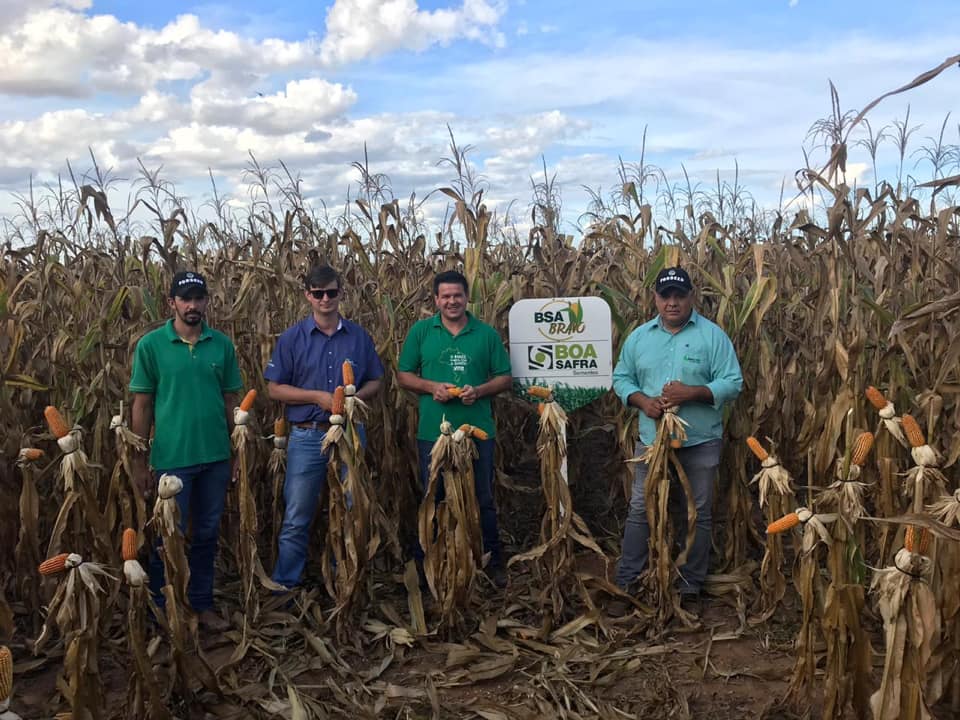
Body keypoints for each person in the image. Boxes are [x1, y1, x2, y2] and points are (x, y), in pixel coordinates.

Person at [608, 266, 742, 617]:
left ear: (690, 297)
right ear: (655, 298)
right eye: (665, 295)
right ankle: (628, 578)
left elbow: (733, 382)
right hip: (652, 441)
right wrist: (642, 401)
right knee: (640, 509)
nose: (672, 302)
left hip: (699, 441)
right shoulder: (639, 338)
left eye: (679, 295)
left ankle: (689, 584)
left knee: (696, 512)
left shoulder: (712, 337)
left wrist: (694, 393)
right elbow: (621, 378)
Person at [130, 270, 242, 631]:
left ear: (207, 301)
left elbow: (230, 402)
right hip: (170, 460)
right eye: (185, 299)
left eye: (198, 298)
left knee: (207, 534)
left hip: (215, 458)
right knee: (167, 537)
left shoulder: (221, 345)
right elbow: (142, 405)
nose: (192, 306)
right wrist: (138, 459)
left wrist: (237, 451)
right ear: (172, 303)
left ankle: (202, 604)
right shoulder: (151, 346)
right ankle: (163, 607)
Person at [265, 265, 384, 590]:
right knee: (296, 516)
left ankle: (345, 578)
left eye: (331, 292)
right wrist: (316, 397)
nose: (325, 299)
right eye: (318, 293)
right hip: (306, 435)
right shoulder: (292, 339)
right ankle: (286, 585)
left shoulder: (358, 337)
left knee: (350, 508)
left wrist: (355, 398)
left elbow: (376, 379)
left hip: (349, 434)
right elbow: (274, 388)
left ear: (340, 293)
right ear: (308, 296)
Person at [396, 270, 513, 588]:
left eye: (457, 295)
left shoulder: (485, 335)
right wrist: (431, 386)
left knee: (482, 497)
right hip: (433, 433)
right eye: (445, 296)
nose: (451, 301)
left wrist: (480, 390)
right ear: (435, 300)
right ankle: (429, 565)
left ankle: (490, 561)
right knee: (433, 497)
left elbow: (505, 377)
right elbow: (403, 375)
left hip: (477, 431)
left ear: (466, 297)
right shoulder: (421, 332)